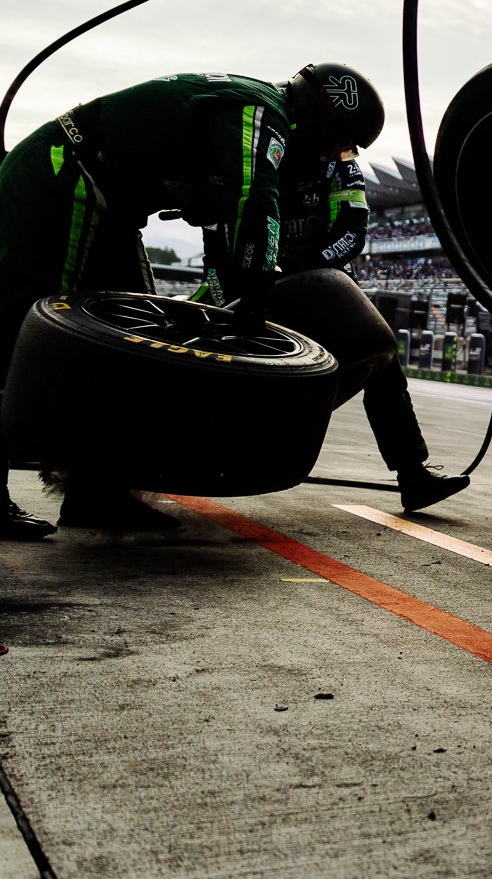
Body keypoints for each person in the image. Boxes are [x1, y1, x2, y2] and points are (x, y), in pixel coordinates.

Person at [0, 64, 383, 535]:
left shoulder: (257, 111)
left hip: (111, 205)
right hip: (63, 176)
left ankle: (95, 493)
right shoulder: (262, 111)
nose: (330, 158)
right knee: (21, 333)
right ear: (321, 116)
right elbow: (253, 198)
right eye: (336, 144)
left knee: (136, 346)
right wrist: (259, 294)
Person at [193, 149, 468, 512]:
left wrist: (305, 271)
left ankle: (412, 474)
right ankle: (203, 456)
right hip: (254, 289)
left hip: (325, 287)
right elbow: (216, 251)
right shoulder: (256, 156)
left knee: (382, 359)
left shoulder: (341, 164)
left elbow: (353, 234)